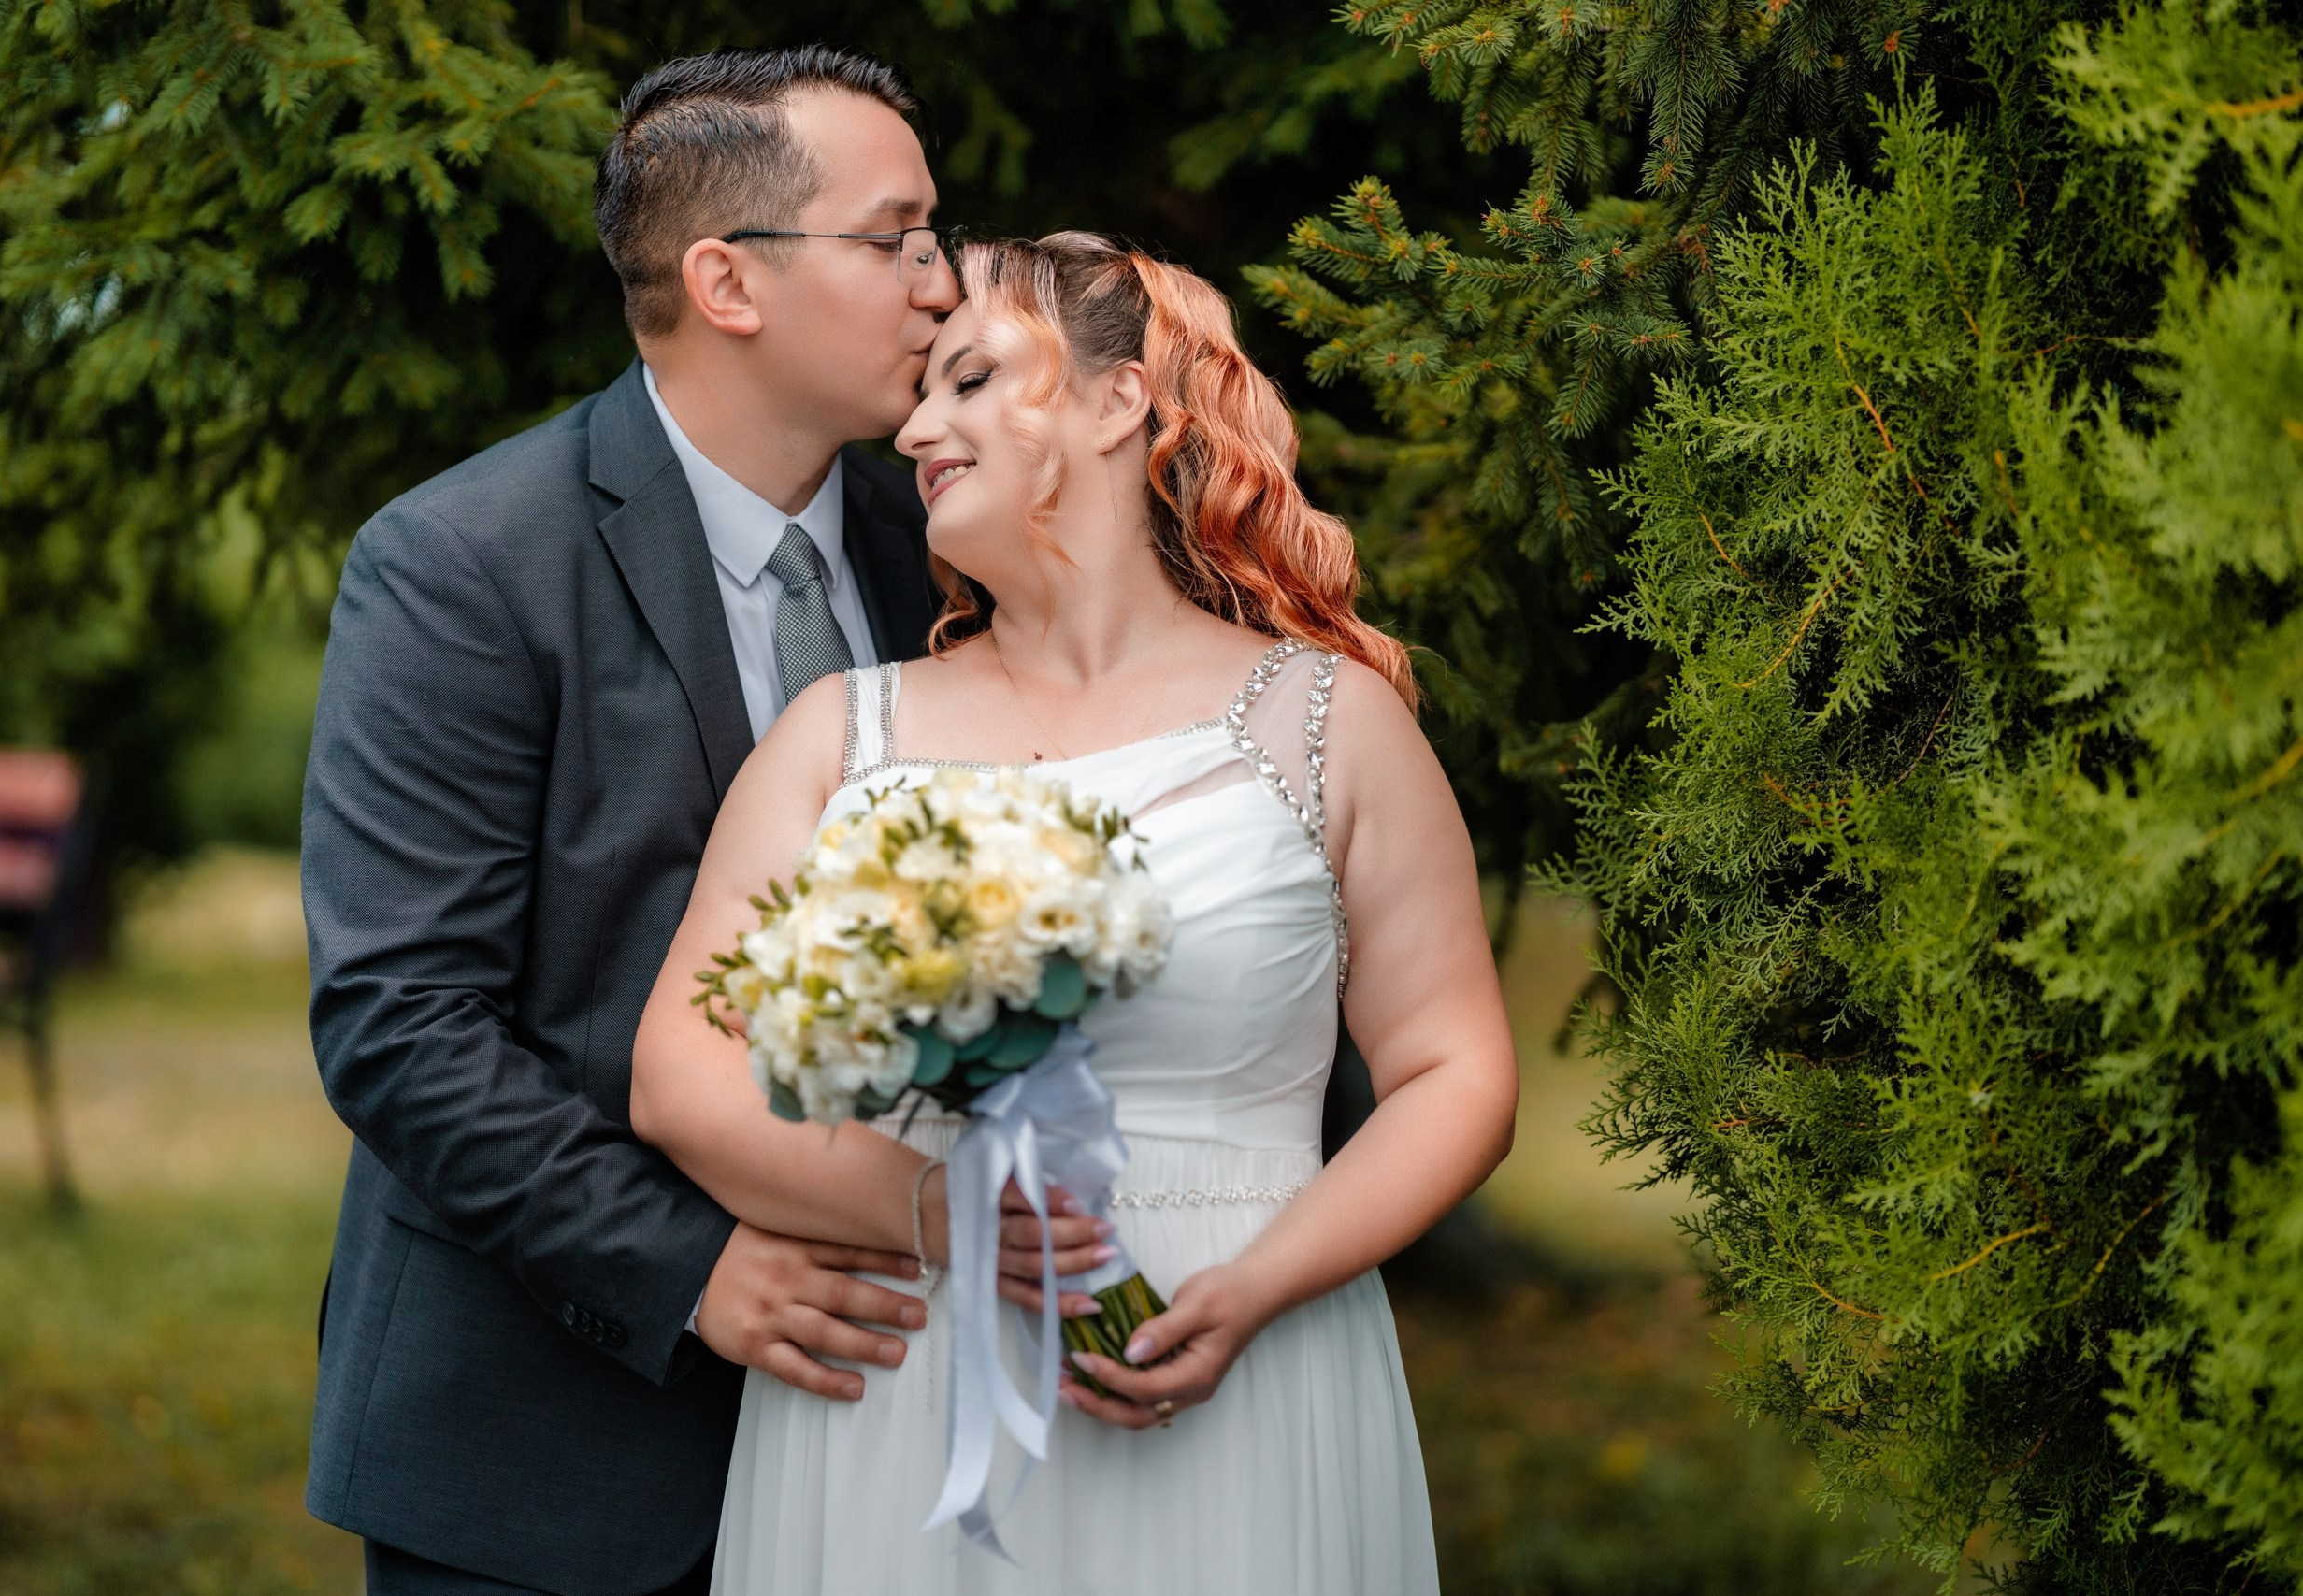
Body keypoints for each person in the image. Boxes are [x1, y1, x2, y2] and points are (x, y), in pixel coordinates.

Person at [299, 48, 1099, 1595]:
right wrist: (692, 1269)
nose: (944, 286)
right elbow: (401, 1022)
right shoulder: (463, 565)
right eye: (896, 239)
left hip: (913, 1427)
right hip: (546, 1438)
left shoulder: (950, 550)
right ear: (728, 281)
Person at [629, 232, 1521, 1594]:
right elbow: (683, 1071)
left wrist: (1259, 1285)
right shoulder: (839, 735)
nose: (915, 429)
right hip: (916, 1382)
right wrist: (937, 1211)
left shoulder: (1327, 723)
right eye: (920, 392)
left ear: (1119, 402)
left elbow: (1456, 1073)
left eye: (972, 379)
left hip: (1254, 1366)